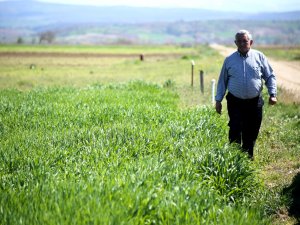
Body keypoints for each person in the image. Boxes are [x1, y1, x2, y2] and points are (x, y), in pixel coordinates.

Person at [215, 29, 277, 159]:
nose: (242, 44)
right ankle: (234, 159)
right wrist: (218, 100)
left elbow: (270, 76)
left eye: (245, 41)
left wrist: (272, 93)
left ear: (251, 42)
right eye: (239, 41)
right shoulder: (229, 60)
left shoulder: (259, 57)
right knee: (235, 128)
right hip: (235, 101)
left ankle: (247, 158)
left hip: (254, 102)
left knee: (252, 129)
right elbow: (222, 81)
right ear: (235, 43)